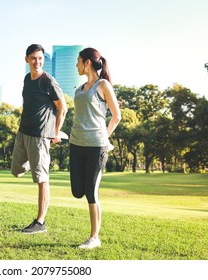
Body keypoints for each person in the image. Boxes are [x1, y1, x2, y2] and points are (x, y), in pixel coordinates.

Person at [11, 44, 67, 234]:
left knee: (42, 179)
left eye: (40, 58)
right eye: (34, 58)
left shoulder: (48, 82)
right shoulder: (27, 79)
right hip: (23, 132)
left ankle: (40, 222)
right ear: (26, 59)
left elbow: (63, 108)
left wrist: (56, 132)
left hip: (40, 136)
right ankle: (35, 163)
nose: (37, 61)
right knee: (16, 171)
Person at [69, 47, 121, 249]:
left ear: (87, 62)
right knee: (77, 191)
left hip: (96, 147)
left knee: (91, 192)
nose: (76, 65)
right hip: (76, 144)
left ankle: (94, 238)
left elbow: (117, 116)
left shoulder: (103, 85)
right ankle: (93, 236)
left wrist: (104, 138)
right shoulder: (79, 88)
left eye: (78, 61)